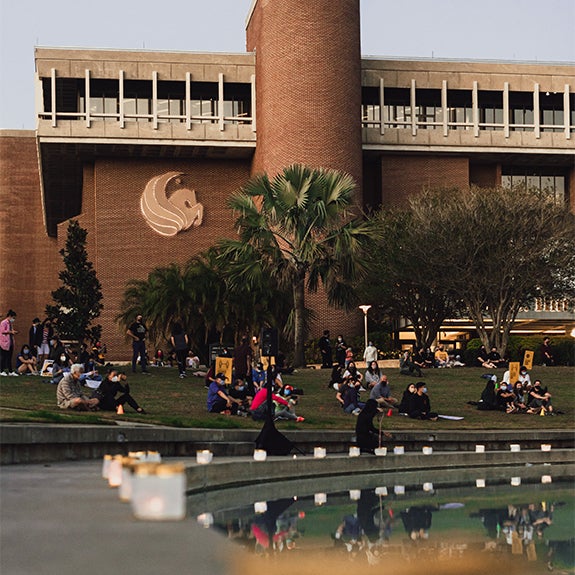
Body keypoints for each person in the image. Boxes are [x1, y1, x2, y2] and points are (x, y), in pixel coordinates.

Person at [0, 309, 18, 376]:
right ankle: (1, 371)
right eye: (13, 318)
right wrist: (10, 332)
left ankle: (10, 371)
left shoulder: (10, 323)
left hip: (10, 342)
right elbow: (2, 331)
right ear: (10, 316)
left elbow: (10, 330)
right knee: (3, 357)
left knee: (9, 357)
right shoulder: (3, 322)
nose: (13, 319)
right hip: (4, 343)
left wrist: (13, 331)